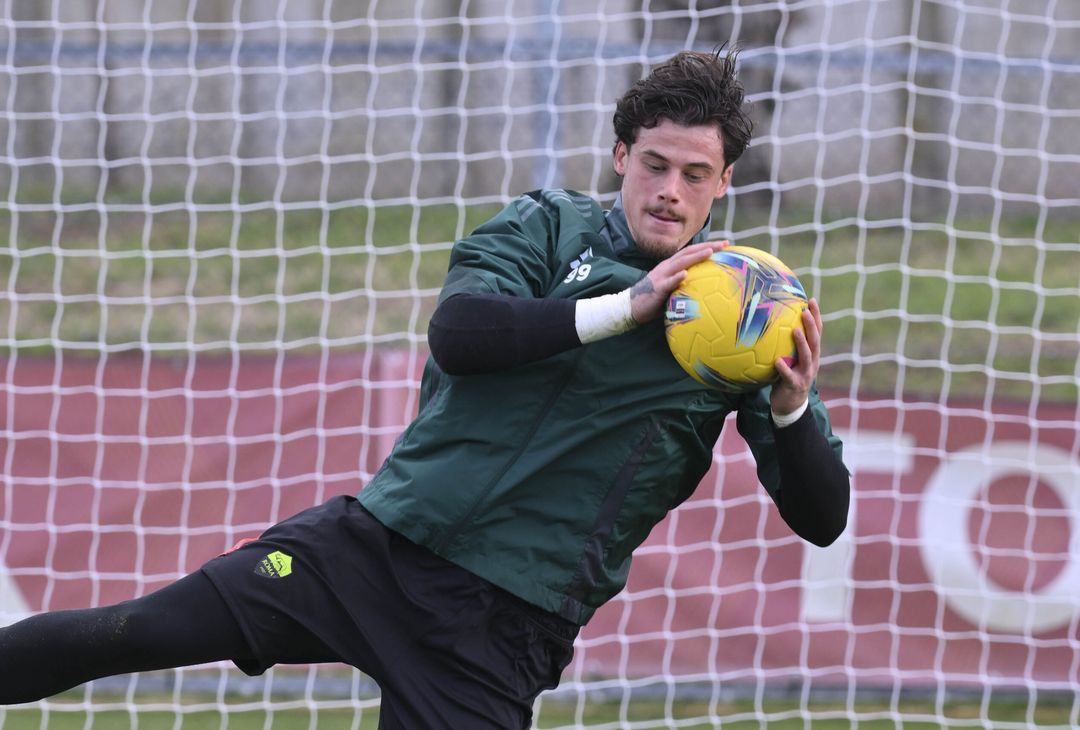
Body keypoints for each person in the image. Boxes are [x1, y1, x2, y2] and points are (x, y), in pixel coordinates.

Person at [0, 48, 849, 728]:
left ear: (725, 180)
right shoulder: (548, 228)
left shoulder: (744, 317)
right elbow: (462, 333)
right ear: (621, 155)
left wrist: (790, 407)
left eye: (695, 174)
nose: (669, 191)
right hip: (378, 547)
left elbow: (823, 518)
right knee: (140, 630)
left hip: (500, 627)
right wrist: (624, 308)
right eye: (654, 163)